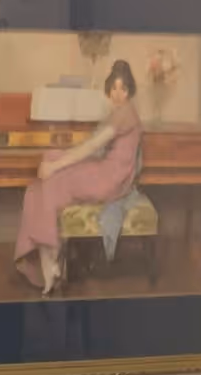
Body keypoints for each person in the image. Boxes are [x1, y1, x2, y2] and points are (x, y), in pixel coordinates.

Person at [14, 59, 142, 295]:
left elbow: (91, 146)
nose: (117, 94)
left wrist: (55, 167)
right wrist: (57, 161)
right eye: (113, 88)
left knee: (51, 176)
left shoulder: (124, 114)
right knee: (46, 171)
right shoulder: (121, 112)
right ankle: (50, 254)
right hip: (108, 171)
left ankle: (49, 257)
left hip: (110, 179)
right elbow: (93, 148)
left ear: (129, 91)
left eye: (122, 88)